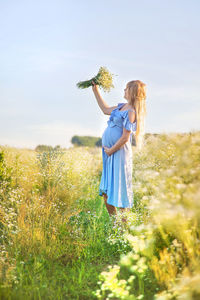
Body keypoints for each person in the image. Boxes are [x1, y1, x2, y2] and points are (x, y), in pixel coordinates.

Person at [91, 80, 147, 223]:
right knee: (106, 191)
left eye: (126, 89)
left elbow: (124, 138)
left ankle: (123, 227)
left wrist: (111, 151)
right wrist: (95, 89)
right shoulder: (120, 107)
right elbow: (104, 109)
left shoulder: (131, 112)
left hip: (119, 154)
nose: (124, 90)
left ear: (133, 92)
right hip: (109, 153)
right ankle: (115, 224)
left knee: (120, 191)